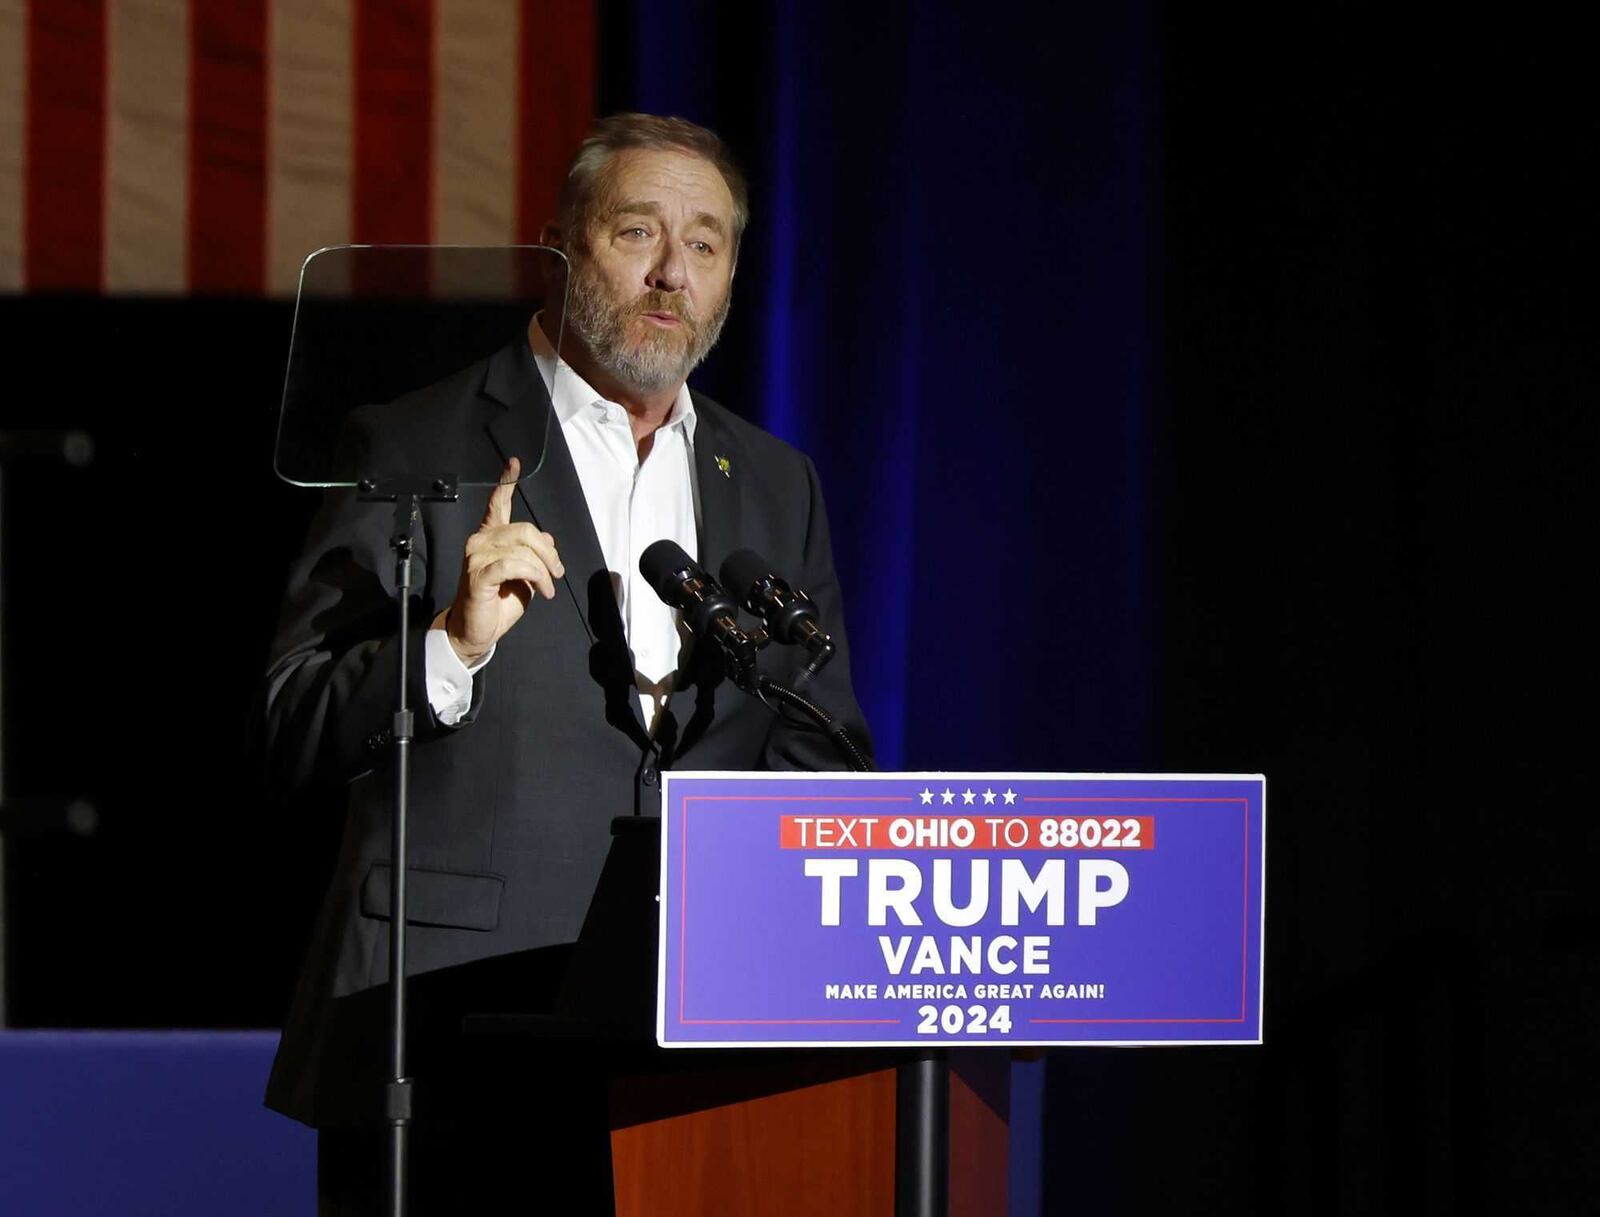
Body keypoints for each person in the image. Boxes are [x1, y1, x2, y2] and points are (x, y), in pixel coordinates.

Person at [261, 113, 871, 1213]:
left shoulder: (778, 483)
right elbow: (292, 719)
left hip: (700, 1042)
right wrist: (448, 644)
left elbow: (817, 750)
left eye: (705, 241)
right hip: (447, 1031)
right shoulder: (415, 442)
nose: (670, 271)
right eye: (636, 230)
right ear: (559, 246)